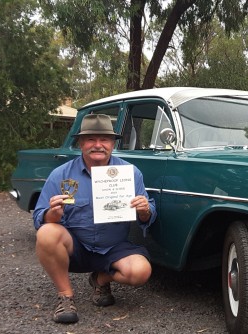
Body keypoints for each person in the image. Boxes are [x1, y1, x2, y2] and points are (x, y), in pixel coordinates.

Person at [32, 114, 156, 324]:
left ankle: (99, 279)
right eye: (91, 139)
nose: (98, 145)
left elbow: (147, 216)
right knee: (46, 232)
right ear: (81, 143)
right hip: (76, 248)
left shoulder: (130, 173)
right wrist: (51, 214)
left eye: (104, 139)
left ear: (112, 143)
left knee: (141, 272)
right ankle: (65, 297)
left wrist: (145, 209)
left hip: (113, 248)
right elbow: (38, 217)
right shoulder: (61, 175)